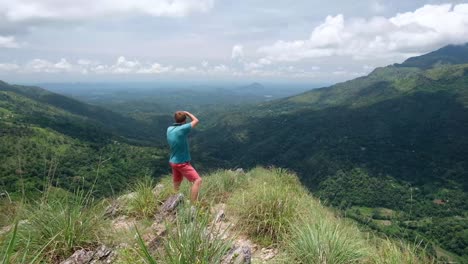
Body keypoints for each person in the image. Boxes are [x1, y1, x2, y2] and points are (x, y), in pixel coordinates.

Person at [166, 111, 202, 202]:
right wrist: (187, 113)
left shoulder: (169, 129)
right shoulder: (183, 128)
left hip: (173, 161)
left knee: (177, 182)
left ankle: (172, 201)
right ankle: (193, 204)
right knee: (197, 180)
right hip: (181, 163)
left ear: (175, 119)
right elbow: (196, 120)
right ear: (184, 121)